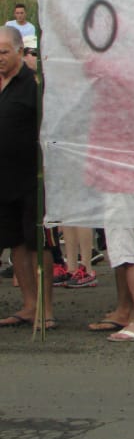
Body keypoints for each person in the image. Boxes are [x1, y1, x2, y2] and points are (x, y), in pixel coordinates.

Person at [0, 25, 56, 331]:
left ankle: (46, 309)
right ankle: (29, 303)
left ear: (20, 52)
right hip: (3, 180)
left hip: (31, 178)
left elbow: (48, 128)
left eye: (4, 52)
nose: (0, 58)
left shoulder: (32, 85)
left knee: (38, 243)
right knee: (15, 244)